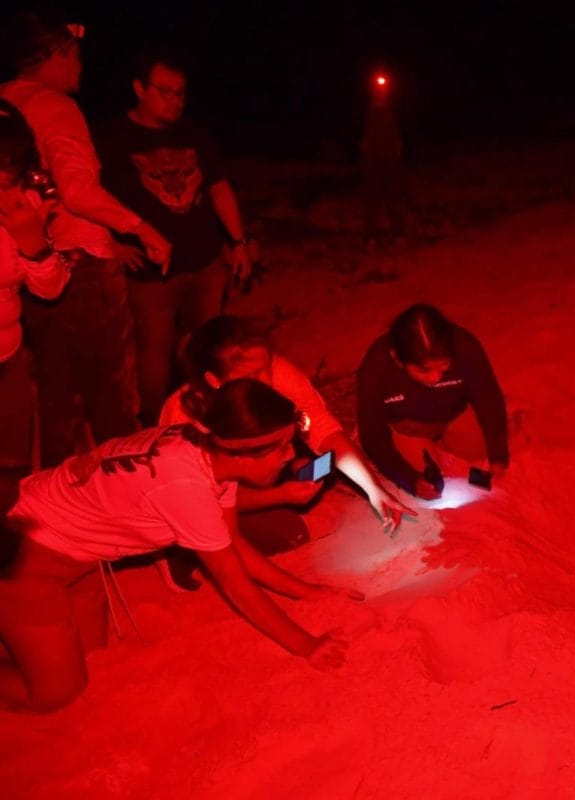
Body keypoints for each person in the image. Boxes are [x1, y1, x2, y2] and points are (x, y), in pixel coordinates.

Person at [0, 379, 361, 712]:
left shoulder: (204, 449)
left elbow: (232, 541)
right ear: (238, 454)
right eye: (279, 447)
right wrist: (306, 645)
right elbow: (236, 584)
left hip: (81, 556)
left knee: (95, 655)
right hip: (24, 555)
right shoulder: (185, 488)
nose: (289, 456)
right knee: (57, 694)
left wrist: (308, 592)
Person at [0, 11, 172, 464]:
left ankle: (59, 500)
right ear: (56, 55)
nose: (81, 67)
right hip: (82, 270)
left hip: (31, 265)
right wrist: (140, 227)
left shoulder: (6, 102)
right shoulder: (55, 105)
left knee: (58, 394)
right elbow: (77, 191)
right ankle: (127, 491)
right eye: (76, 56)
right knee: (111, 393)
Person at [160, 315, 411, 559]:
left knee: (329, 463)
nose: (267, 380)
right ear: (214, 381)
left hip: (249, 476)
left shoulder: (277, 373)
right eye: (254, 374)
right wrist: (279, 495)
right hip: (200, 498)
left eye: (268, 367)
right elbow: (200, 500)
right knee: (290, 535)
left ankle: (281, 480)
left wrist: (373, 489)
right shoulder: (183, 417)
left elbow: (324, 430)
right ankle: (178, 557)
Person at [95, 49, 254, 426]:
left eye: (180, 93)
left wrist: (239, 241)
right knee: (155, 351)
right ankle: (156, 423)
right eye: (164, 91)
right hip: (151, 271)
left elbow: (218, 187)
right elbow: (85, 195)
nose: (174, 101)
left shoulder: (194, 135)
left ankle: (206, 412)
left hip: (205, 260)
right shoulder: (111, 138)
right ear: (139, 88)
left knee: (206, 346)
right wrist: (110, 244)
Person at [357, 303, 509, 500]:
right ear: (397, 358)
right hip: (409, 426)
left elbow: (489, 400)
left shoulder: (466, 347)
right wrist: (410, 480)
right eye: (424, 370)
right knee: (432, 482)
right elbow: (373, 436)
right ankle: (431, 454)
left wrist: (499, 456)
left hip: (455, 413)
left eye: (444, 366)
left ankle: (447, 451)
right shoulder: (376, 368)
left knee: (481, 459)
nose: (435, 378)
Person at [0, 99, 71, 511]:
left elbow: (51, 289)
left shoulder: (24, 200)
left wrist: (32, 241)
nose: (10, 182)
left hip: (10, 356)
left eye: (13, 168)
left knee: (10, 466)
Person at [359, 68, 406, 249]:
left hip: (389, 163)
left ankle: (398, 234)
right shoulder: (370, 113)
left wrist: (397, 149)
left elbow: (395, 136)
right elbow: (365, 140)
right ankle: (371, 237)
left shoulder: (390, 112)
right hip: (374, 164)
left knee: (393, 199)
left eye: (383, 89)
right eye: (378, 90)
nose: (381, 92)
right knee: (373, 201)